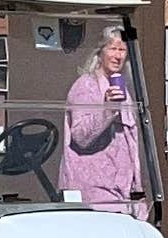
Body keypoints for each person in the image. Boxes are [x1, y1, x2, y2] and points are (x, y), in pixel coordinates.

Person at [63, 30, 147, 213]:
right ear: (100, 52)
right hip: (94, 197)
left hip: (121, 196)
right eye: (113, 48)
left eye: (123, 50)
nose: (118, 56)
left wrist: (137, 192)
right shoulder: (85, 86)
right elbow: (80, 136)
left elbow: (131, 145)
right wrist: (107, 109)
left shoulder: (122, 91)